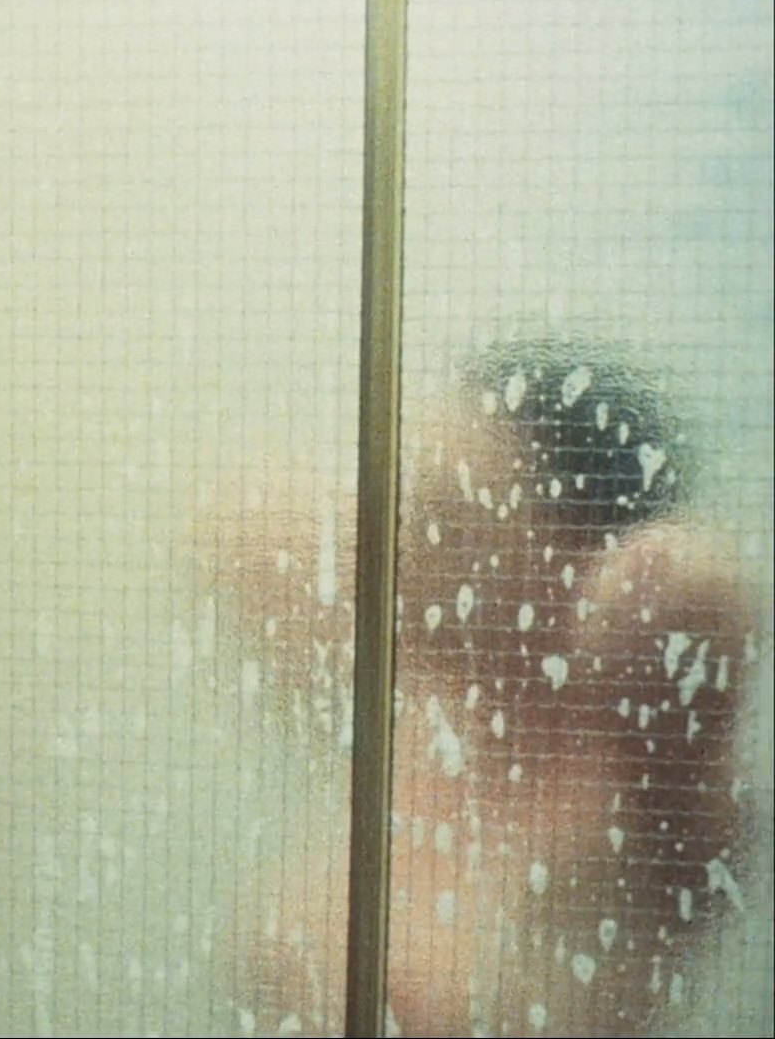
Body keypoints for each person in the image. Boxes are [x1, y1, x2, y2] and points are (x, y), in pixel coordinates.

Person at [215, 335, 765, 1035]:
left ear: (577, 556)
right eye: (404, 504)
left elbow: (693, 581)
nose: (397, 546)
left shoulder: (644, 796)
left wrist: (616, 603)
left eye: (445, 517)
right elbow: (233, 522)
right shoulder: (423, 731)